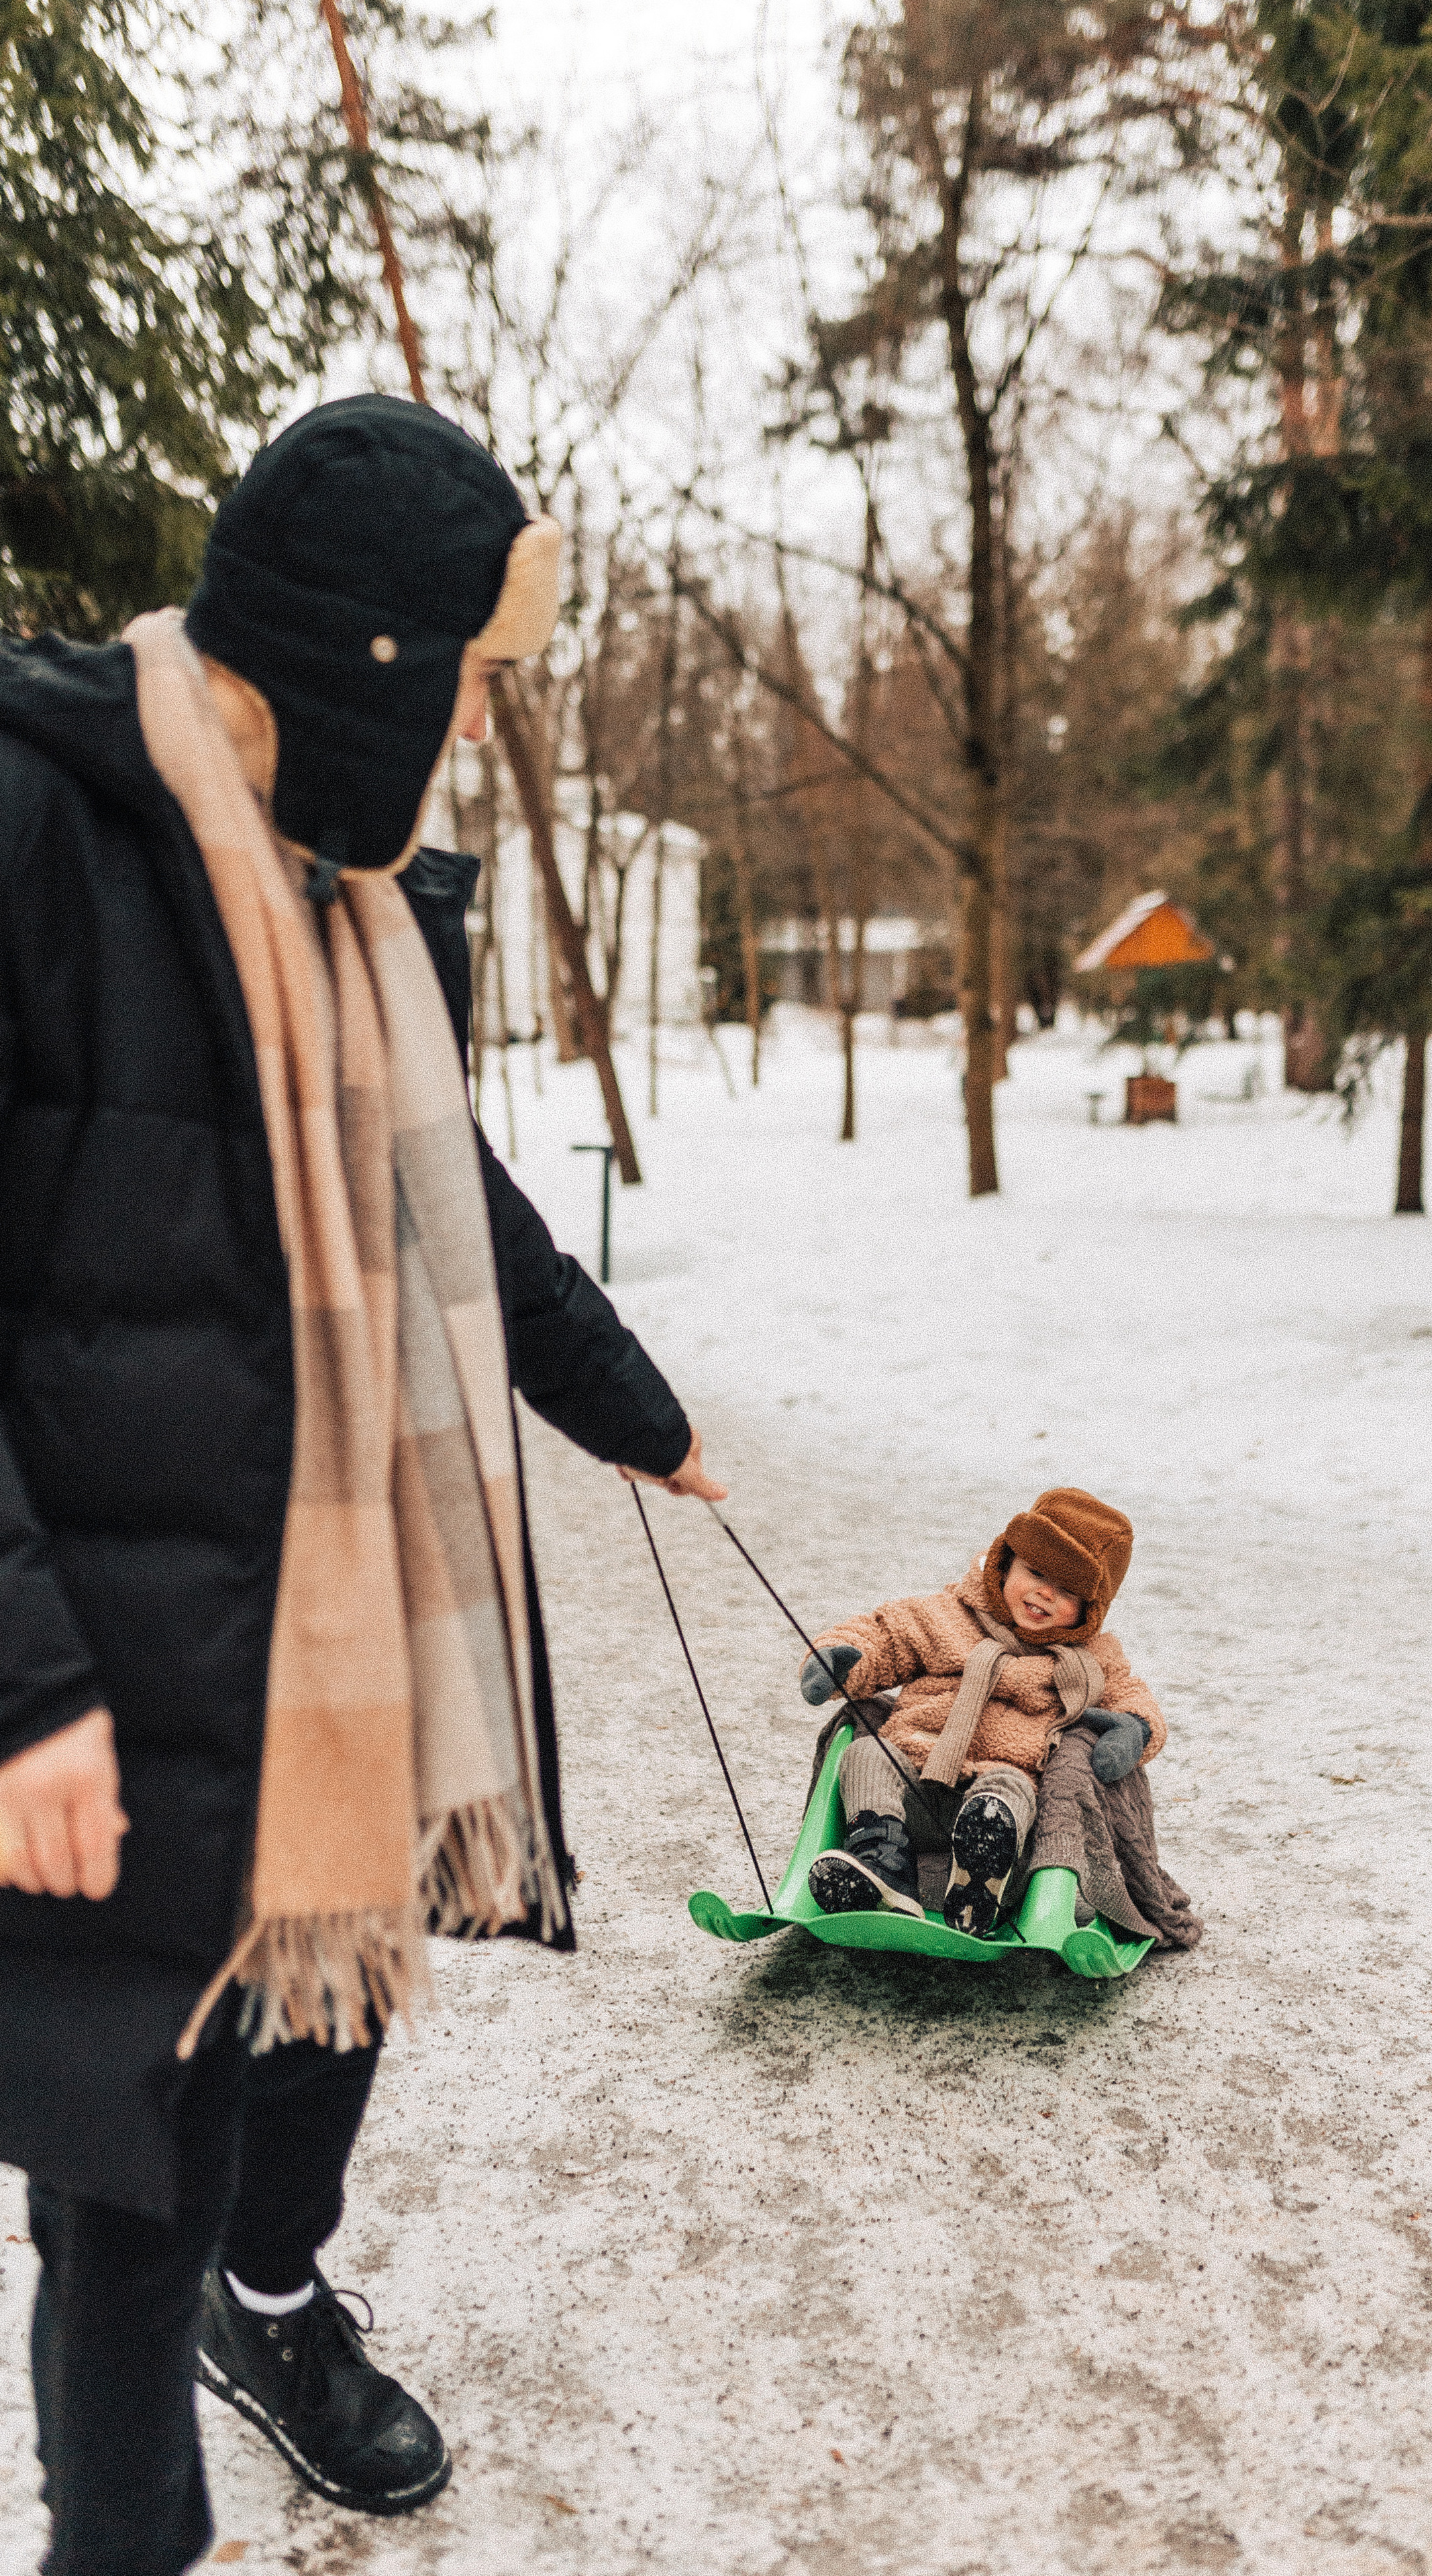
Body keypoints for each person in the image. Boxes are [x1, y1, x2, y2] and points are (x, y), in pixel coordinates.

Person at [0, 394, 722, 2573]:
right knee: (122, 2210)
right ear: (380, 659)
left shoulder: (357, 896)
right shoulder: (39, 829)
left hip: (306, 1639)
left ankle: (276, 2301)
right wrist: (24, 1680)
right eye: (480, 671)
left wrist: (629, 1401)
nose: (486, 718)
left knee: (285, 2063)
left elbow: (448, 1203)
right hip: (104, 1680)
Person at [803, 1488, 1167, 1933]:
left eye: (1068, 1589)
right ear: (1005, 1561)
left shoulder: (1092, 1659)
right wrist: (840, 1657)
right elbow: (885, 1637)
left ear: (1091, 1609)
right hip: (911, 1782)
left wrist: (1135, 1728)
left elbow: (1131, 1696)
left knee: (1010, 1786)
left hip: (1000, 1804)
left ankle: (979, 1885)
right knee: (865, 1754)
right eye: (1035, 1572)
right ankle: (882, 1860)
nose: (1045, 1593)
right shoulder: (946, 1616)